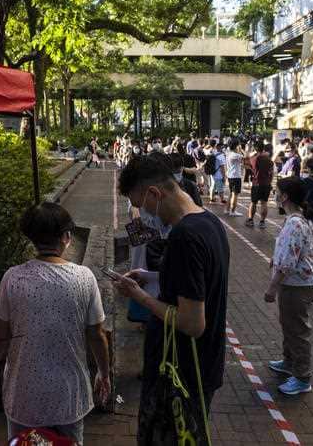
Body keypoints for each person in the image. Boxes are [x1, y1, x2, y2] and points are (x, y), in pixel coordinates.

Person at [113, 156, 229, 444]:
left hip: (182, 371)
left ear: (155, 193)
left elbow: (191, 323)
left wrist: (138, 295)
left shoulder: (184, 237)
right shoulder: (209, 221)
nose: (144, 216)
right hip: (205, 363)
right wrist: (151, 277)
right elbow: (198, 287)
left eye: (142, 206)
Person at [0, 202, 111, 443]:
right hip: (68, 394)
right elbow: (97, 334)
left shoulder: (13, 278)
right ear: (66, 237)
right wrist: (103, 373)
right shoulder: (84, 278)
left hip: (23, 393)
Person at [264, 177, 313, 395]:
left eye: (277, 191)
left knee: (297, 330)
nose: (275, 195)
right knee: (289, 325)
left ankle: (302, 377)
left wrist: (272, 287)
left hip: (297, 285)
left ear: (285, 196)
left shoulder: (295, 223)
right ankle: (289, 362)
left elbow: (288, 261)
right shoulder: (296, 220)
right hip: (296, 283)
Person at [246, 141, 274, 229]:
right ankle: (262, 222)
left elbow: (247, 165)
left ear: (255, 148)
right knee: (264, 202)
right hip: (266, 183)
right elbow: (272, 172)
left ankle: (250, 220)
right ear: (263, 149)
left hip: (256, 183)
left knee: (253, 202)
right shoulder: (268, 159)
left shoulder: (254, 158)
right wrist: (270, 181)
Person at [225, 140, 244, 216]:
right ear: (236, 146)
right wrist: (241, 149)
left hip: (230, 176)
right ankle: (233, 211)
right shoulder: (236, 155)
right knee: (235, 194)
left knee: (231, 194)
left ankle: (227, 209)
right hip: (235, 177)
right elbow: (246, 156)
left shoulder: (229, 154)